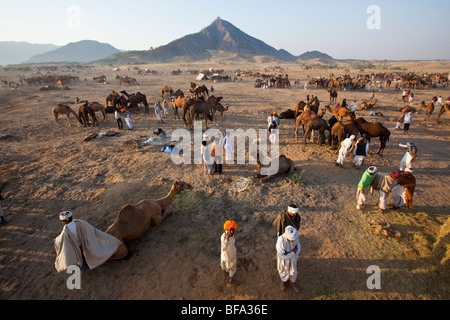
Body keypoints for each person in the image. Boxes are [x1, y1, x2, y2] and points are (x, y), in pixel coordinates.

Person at [54, 211, 121, 273]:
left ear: (63, 221)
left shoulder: (65, 231)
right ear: (72, 217)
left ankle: (83, 267)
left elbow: (61, 241)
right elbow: (91, 230)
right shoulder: (80, 222)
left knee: (80, 256)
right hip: (84, 241)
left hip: (76, 245)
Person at [276, 225, 301, 293]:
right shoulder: (281, 240)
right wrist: (292, 253)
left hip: (292, 259)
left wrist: (292, 254)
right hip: (283, 261)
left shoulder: (295, 236)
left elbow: (298, 247)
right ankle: (283, 282)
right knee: (283, 271)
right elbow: (281, 255)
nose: (293, 241)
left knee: (293, 271)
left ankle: (292, 282)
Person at [221, 220, 238, 285]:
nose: (232, 232)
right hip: (226, 254)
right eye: (230, 230)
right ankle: (231, 279)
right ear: (227, 229)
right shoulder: (223, 237)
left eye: (233, 230)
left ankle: (228, 273)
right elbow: (223, 248)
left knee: (229, 265)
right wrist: (227, 239)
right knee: (231, 266)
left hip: (232, 253)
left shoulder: (232, 235)